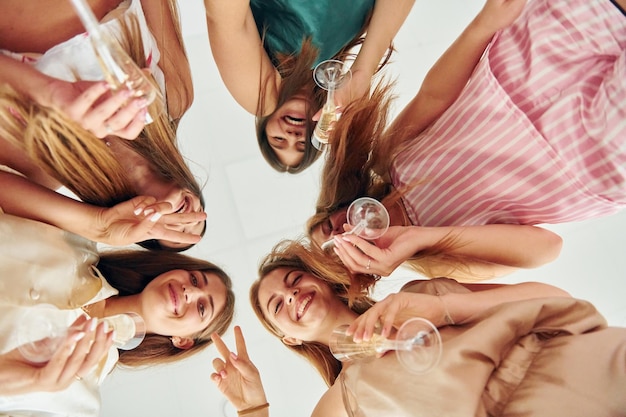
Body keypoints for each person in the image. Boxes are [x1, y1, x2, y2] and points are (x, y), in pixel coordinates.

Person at [308, 0, 626, 278]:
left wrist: (483, 24)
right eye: (334, 253)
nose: (338, 235)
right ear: (360, 274)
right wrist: (418, 240)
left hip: (520, 74)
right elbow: (547, 247)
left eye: (326, 230)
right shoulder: (440, 261)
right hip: (586, 162)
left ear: (335, 210)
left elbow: (434, 96)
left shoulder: (385, 159)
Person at [209, 239, 626, 417]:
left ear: (322, 280)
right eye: (276, 305)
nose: (291, 295)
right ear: (290, 338)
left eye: (294, 280)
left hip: (571, 364)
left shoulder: (419, 291)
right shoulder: (343, 401)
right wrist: (252, 409)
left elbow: (553, 294)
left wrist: (442, 308)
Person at [0, 0, 205, 251]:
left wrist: (99, 224)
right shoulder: (175, 97)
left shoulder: (46, 164)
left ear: (138, 230)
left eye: (176, 234)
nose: (186, 223)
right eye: (198, 221)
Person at [0, 210, 235, 417]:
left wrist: (29, 380)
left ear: (183, 341)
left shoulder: (79, 400)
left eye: (202, 307)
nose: (191, 291)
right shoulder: (77, 245)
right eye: (195, 279)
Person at [204, 0, 415, 172]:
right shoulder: (343, 38)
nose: (292, 136)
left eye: (279, 139)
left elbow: (224, 20)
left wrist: (258, 98)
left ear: (264, 124)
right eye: (303, 144)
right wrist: (362, 72)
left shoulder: (263, 92)